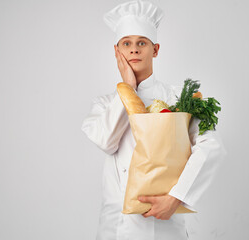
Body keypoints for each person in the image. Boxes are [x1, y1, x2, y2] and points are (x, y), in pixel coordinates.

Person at [81, 0, 227, 239]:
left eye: (142, 43)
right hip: (115, 228)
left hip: (163, 226)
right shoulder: (105, 103)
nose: (134, 49)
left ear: (156, 49)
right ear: (117, 51)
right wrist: (128, 86)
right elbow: (106, 141)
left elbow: (212, 147)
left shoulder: (179, 97)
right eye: (126, 43)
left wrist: (176, 197)